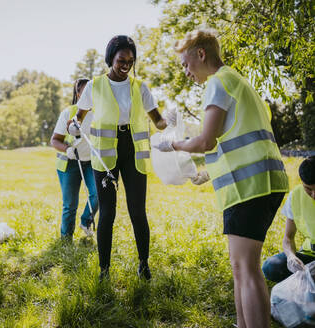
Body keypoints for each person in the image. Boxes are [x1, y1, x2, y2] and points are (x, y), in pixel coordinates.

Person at [156, 29, 289, 328]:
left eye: (186, 64)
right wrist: (204, 172)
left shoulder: (218, 83)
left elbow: (206, 141)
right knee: (240, 268)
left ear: (201, 54)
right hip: (257, 185)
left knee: (246, 268)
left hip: (250, 188)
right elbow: (229, 136)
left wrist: (173, 144)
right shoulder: (234, 80)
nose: (186, 72)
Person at [68, 35, 174, 280]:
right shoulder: (95, 86)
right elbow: (79, 117)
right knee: (107, 213)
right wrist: (74, 125)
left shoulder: (140, 87)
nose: (125, 65)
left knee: (138, 211)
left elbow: (157, 121)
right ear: (110, 59)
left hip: (133, 153)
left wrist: (168, 121)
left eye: (130, 60)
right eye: (120, 60)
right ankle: (104, 270)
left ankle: (144, 265)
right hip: (105, 155)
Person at [51, 78, 98, 240]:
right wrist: (67, 149)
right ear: (78, 95)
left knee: (98, 193)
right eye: (84, 92)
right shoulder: (69, 113)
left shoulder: (100, 113)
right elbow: (54, 140)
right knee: (70, 204)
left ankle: (86, 222)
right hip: (70, 163)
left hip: (91, 162)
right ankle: (66, 238)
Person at [262, 156, 315, 282]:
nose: (314, 195)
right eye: (308, 189)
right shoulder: (296, 196)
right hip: (309, 255)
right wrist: (291, 256)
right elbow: (288, 237)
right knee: (271, 267)